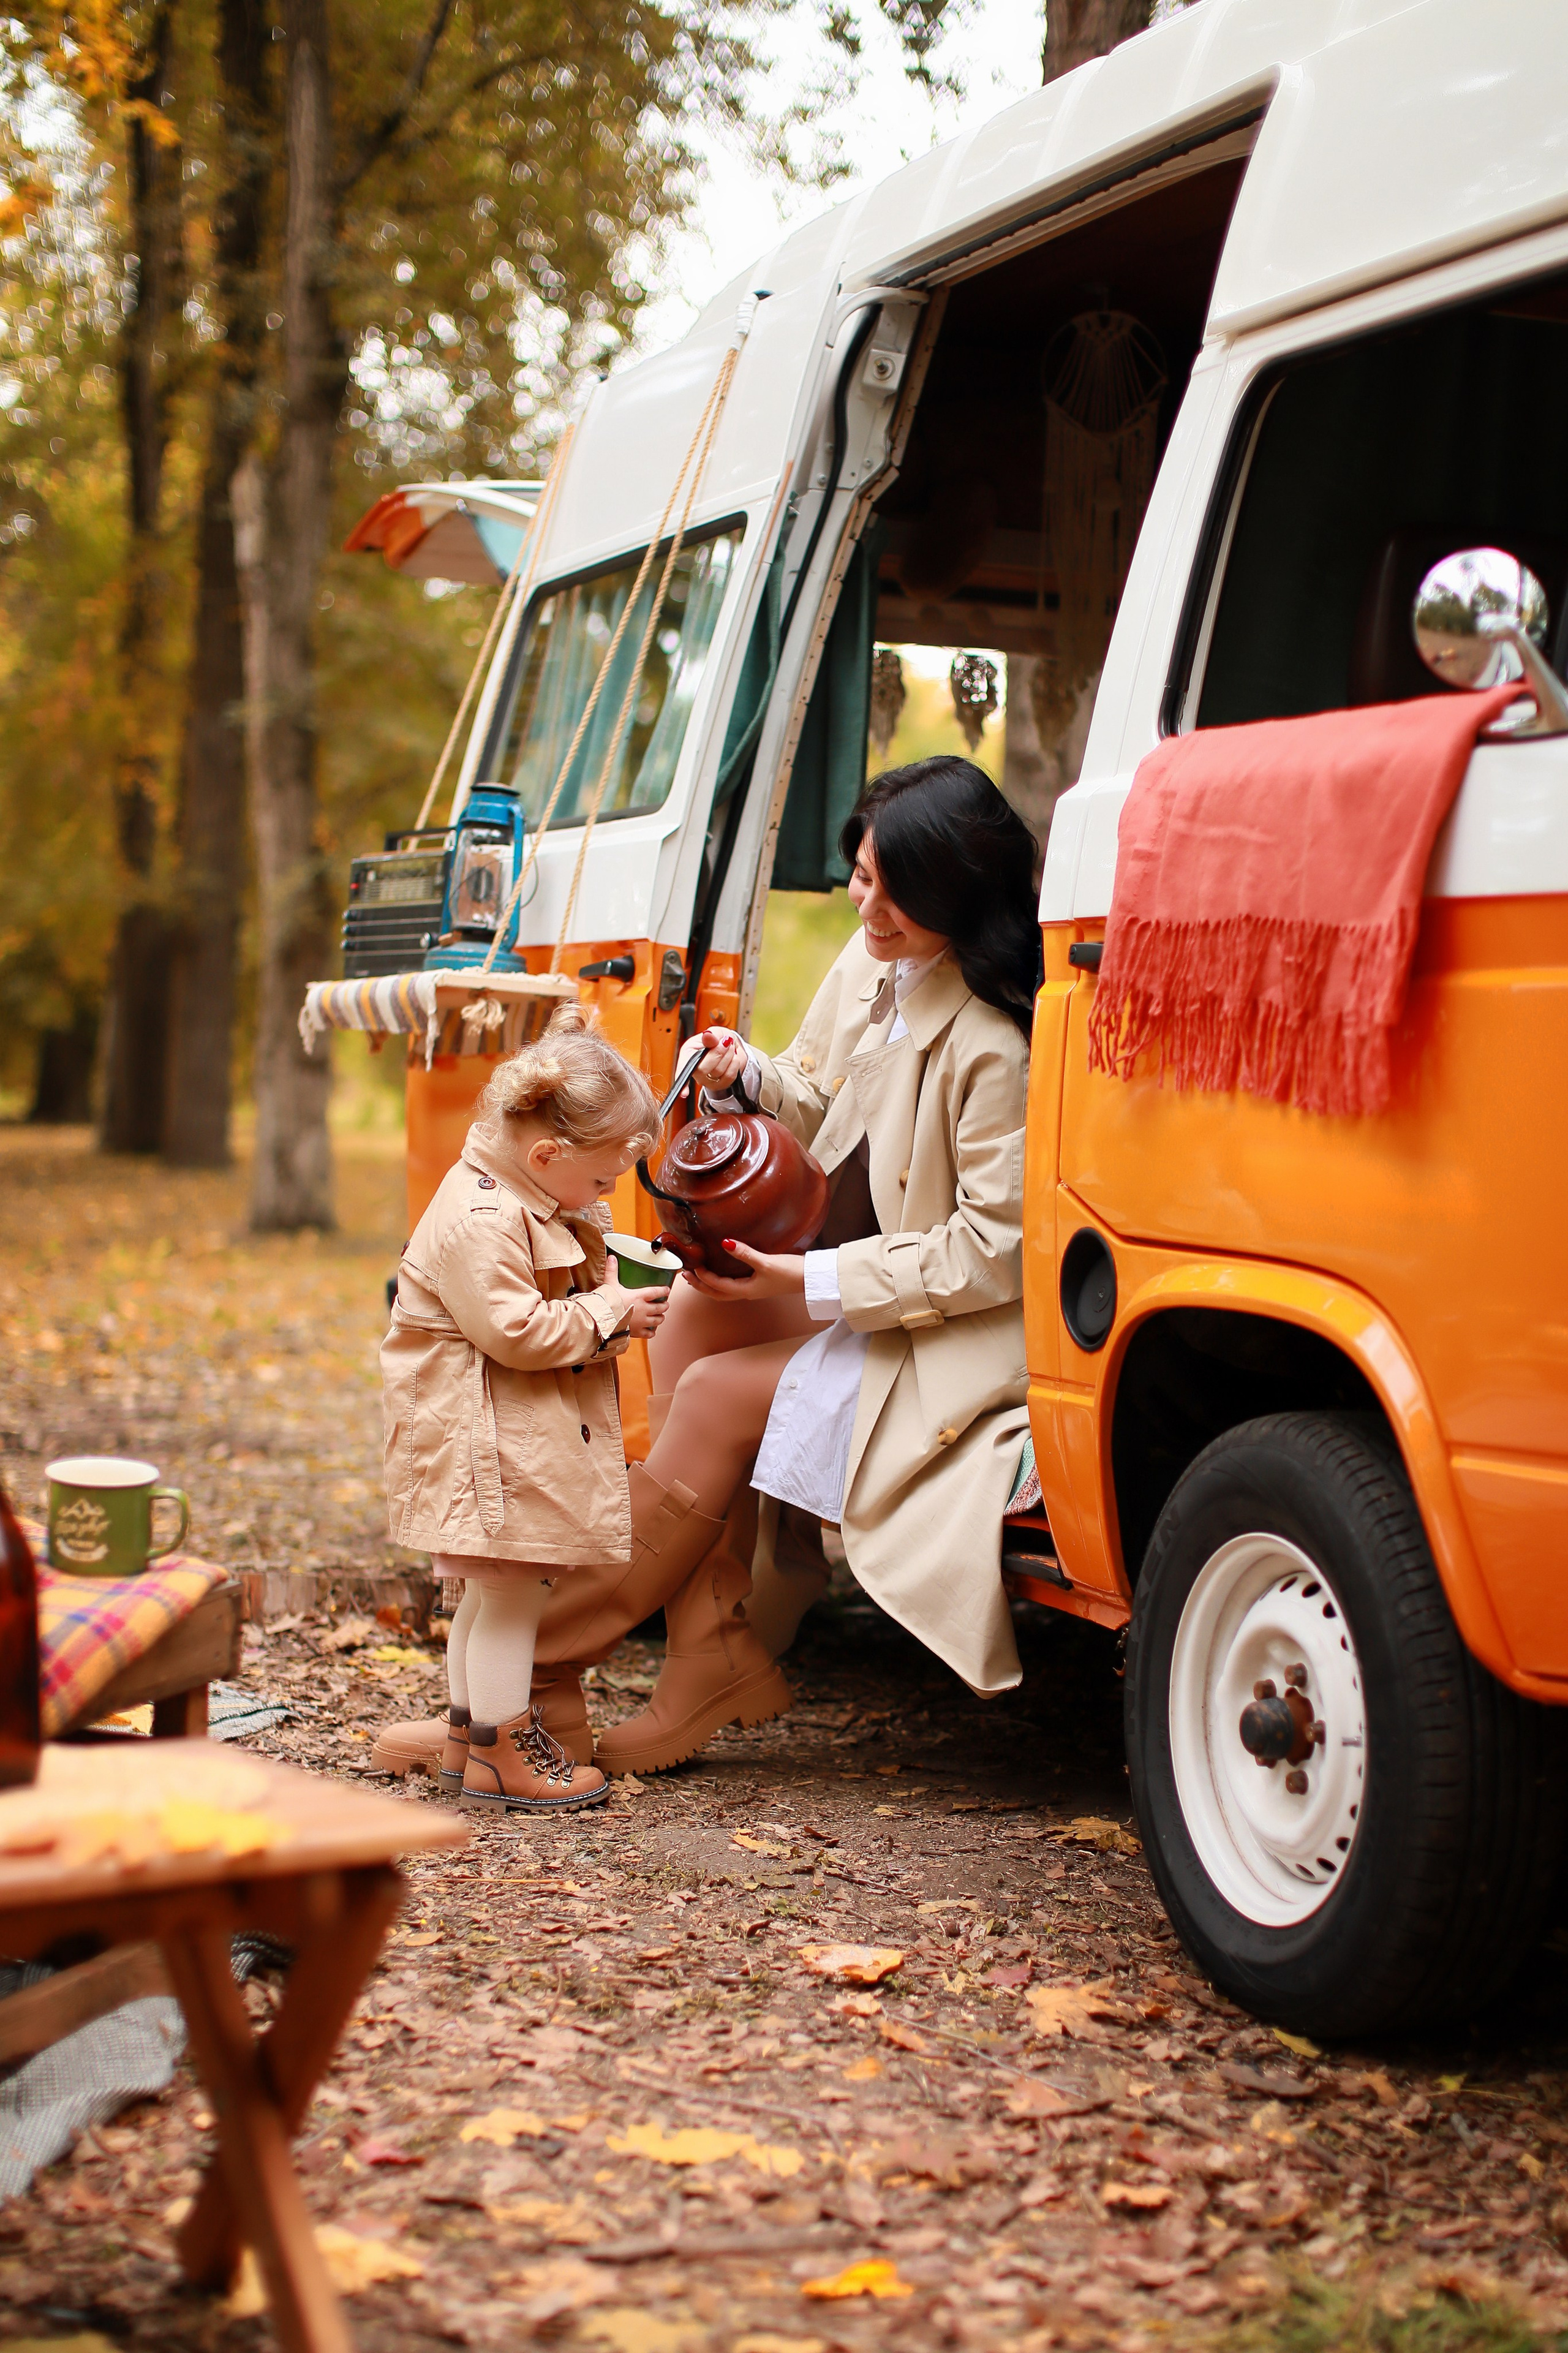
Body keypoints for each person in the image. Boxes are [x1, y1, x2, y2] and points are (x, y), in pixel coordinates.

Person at [520, 752, 1039, 1774]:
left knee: (712, 1395)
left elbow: (997, 1252)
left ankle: (529, 1672)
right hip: (874, 1282)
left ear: (958, 895)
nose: (868, 902)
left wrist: (808, 1282)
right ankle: (712, 1639)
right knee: (690, 1314)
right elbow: (819, 1088)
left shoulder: (995, 1046)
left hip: (963, 1334)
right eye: (861, 872)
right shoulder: (874, 962)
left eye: (896, 887)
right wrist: (745, 1071)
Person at [380, 1002, 671, 1812]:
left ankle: (469, 1740)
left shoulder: (522, 1194)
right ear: (546, 1153)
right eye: (604, 1177)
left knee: (490, 1592)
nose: (608, 1192)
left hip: (497, 1434)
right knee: (511, 1595)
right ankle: (507, 1749)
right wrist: (613, 1313)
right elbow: (515, 1331)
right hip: (486, 1443)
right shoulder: (483, 1217)